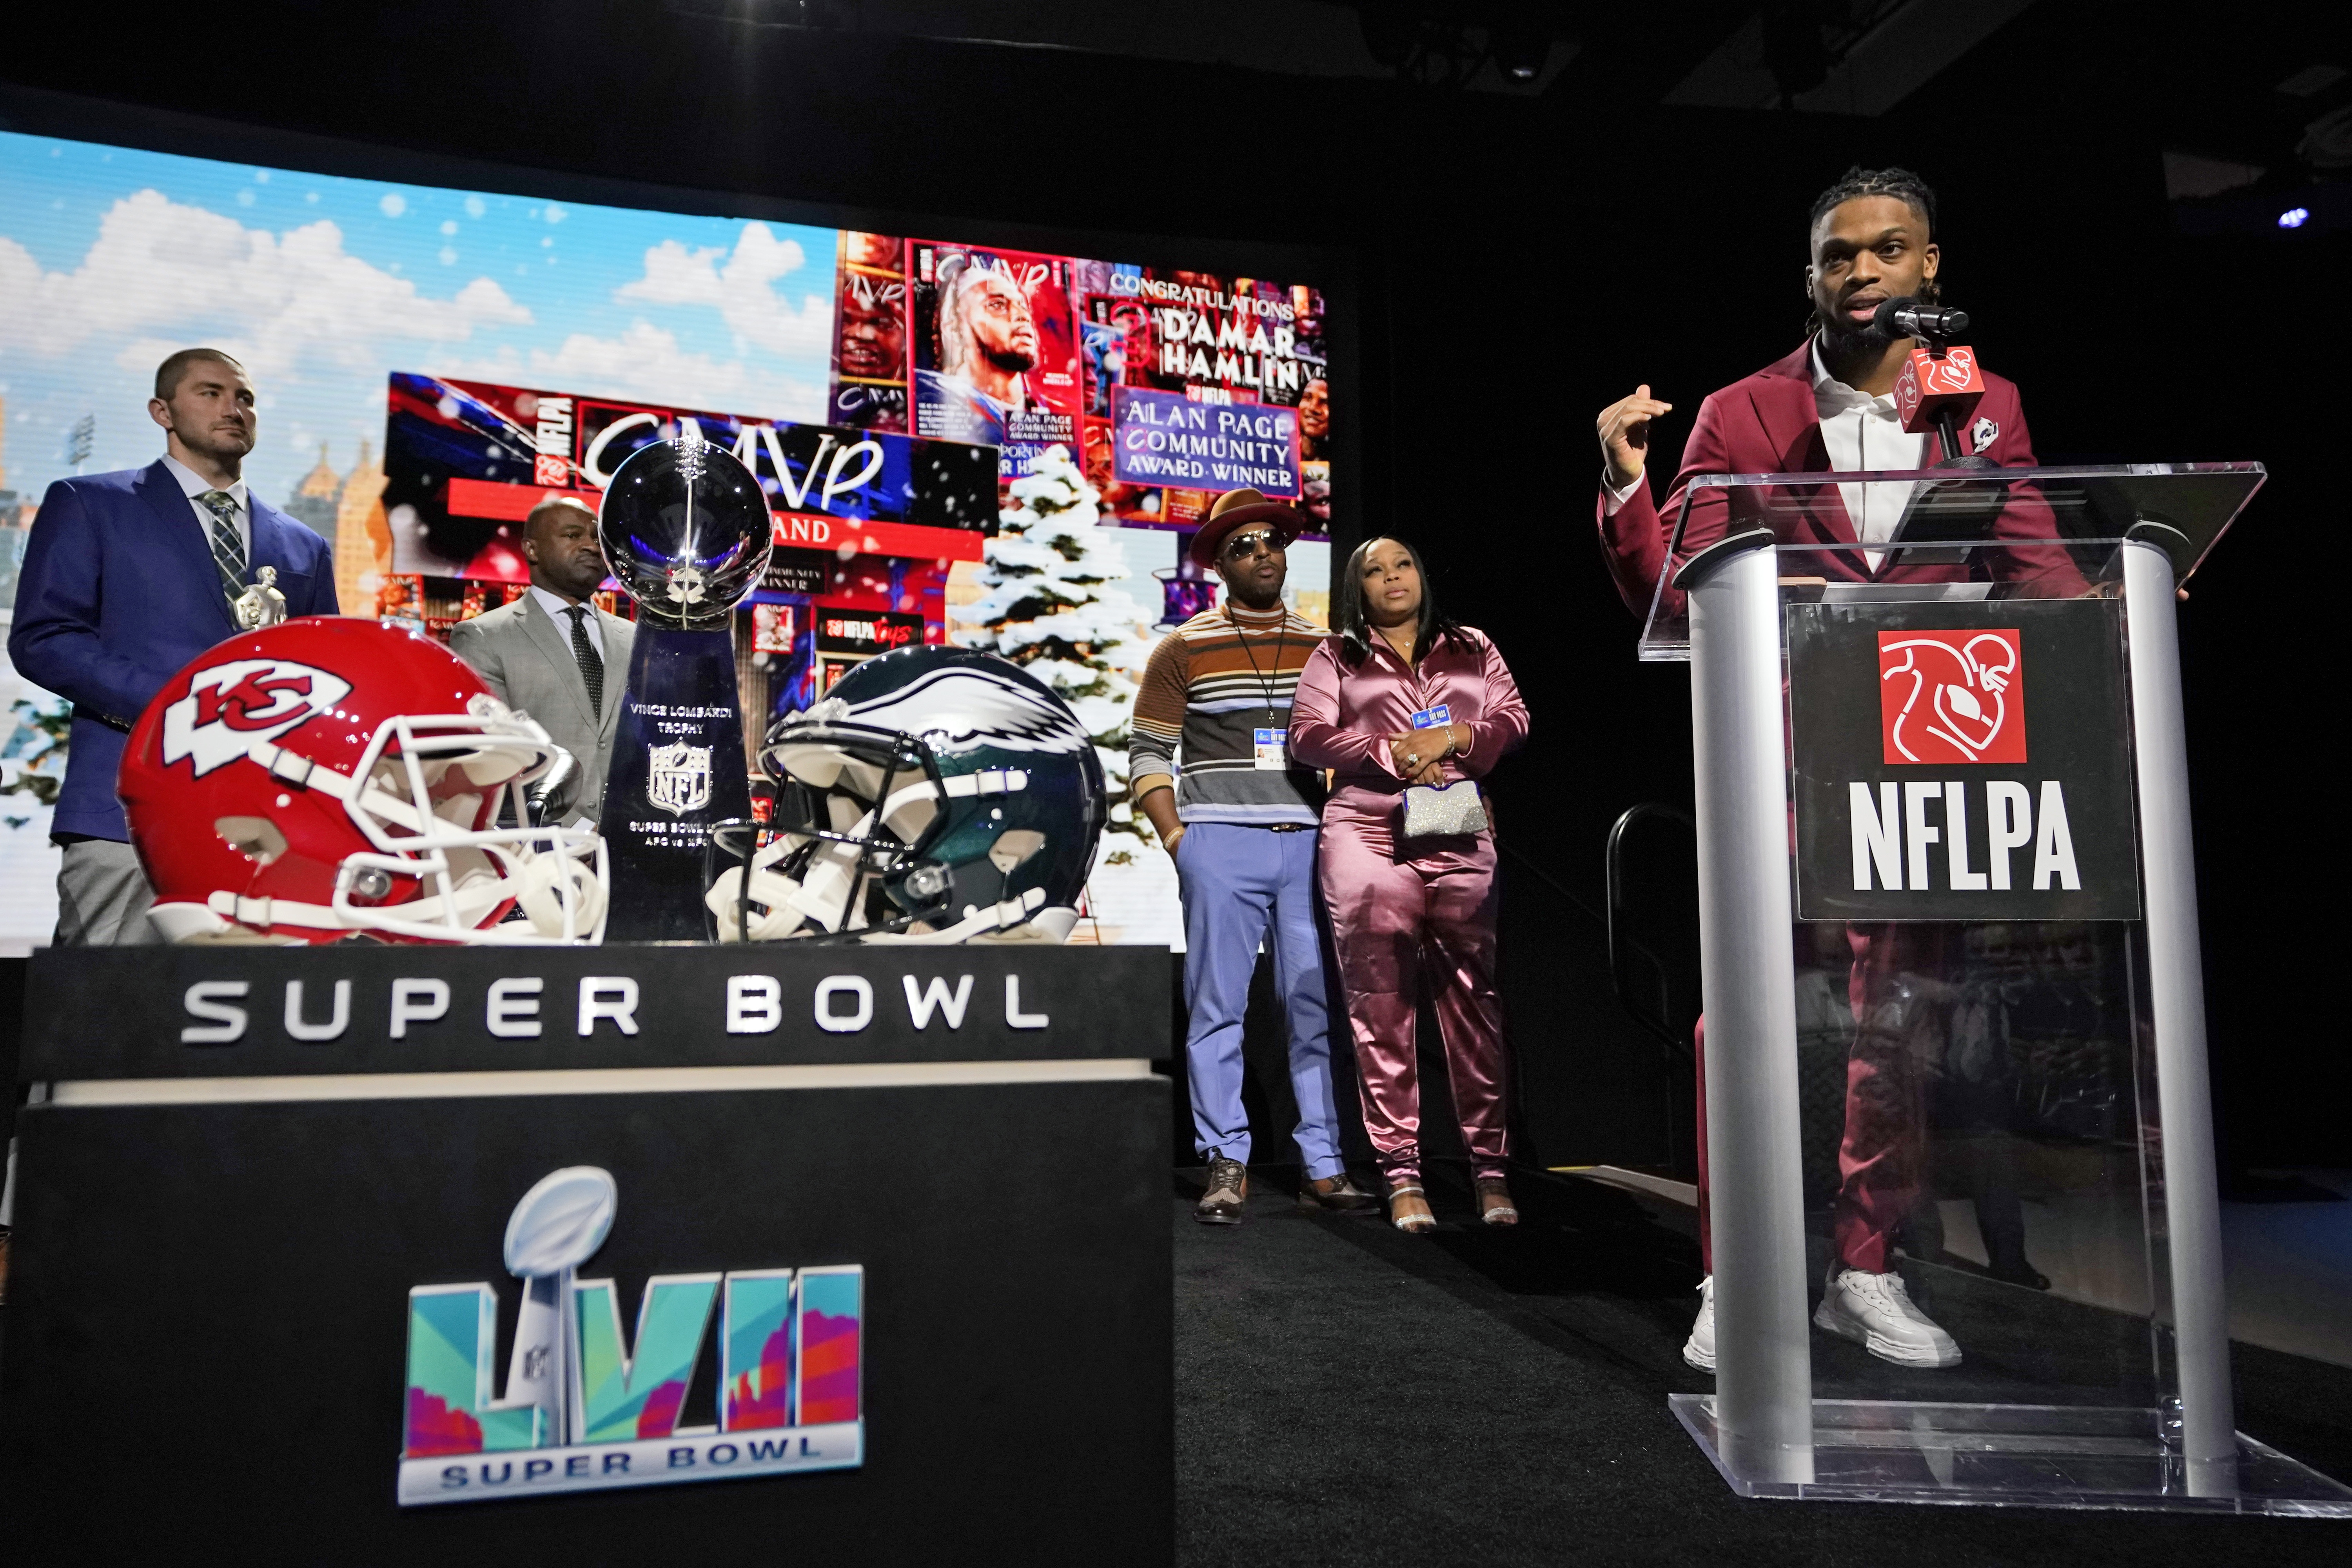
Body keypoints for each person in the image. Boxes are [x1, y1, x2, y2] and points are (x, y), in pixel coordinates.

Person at [1594, 166, 2062, 1373]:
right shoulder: (1739, 410)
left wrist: (2116, 622)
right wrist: (1622, 490)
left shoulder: (1979, 401)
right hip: (1779, 750)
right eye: (1838, 255)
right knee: (1742, 1020)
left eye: (1886, 249)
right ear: (1809, 276)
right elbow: (1676, 593)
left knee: (1894, 1025)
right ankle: (1736, 1266)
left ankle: (1863, 1266)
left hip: (1921, 754)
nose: (1861, 271)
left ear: (1929, 267)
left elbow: (2033, 558)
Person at [8, 347, 337, 946]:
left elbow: (325, 675)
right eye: (210, 393)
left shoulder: (304, 545)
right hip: (128, 810)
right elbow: (44, 638)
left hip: (265, 823)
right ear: (162, 411)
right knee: (100, 1014)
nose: (233, 409)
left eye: (246, 398)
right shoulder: (91, 504)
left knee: (242, 1018)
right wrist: (183, 704)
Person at [1132, 488, 1377, 1223]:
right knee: (1216, 1009)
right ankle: (1226, 1160)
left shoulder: (1326, 648)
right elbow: (1148, 752)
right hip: (1220, 846)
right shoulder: (1184, 647)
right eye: (1242, 546)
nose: (1261, 553)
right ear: (1217, 564)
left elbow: (1359, 745)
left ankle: (1325, 1164)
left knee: (1312, 1006)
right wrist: (1180, 841)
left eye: (1270, 540)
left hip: (1310, 847)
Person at [1289, 538, 1530, 1231]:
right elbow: (1306, 737)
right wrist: (1387, 750)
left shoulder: (1472, 645)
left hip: (1457, 827)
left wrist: (1454, 737)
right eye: (1373, 570)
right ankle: (1401, 1173)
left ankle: (1490, 1171)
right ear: (1356, 589)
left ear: (1421, 576)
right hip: (1367, 833)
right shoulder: (1338, 654)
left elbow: (1515, 720)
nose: (1391, 579)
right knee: (1380, 1004)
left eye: (1401, 566)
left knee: (1474, 1002)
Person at [447, 496, 637, 826]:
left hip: (626, 841)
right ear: (532, 550)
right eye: (573, 535)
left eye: (596, 537)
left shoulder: (636, 639)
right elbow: (489, 753)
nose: (591, 546)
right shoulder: (483, 635)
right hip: (533, 841)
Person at [917, 263, 1040, 446]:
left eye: (1021, 304)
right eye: (997, 305)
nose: (1022, 315)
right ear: (954, 328)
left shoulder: (1050, 412)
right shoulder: (928, 399)